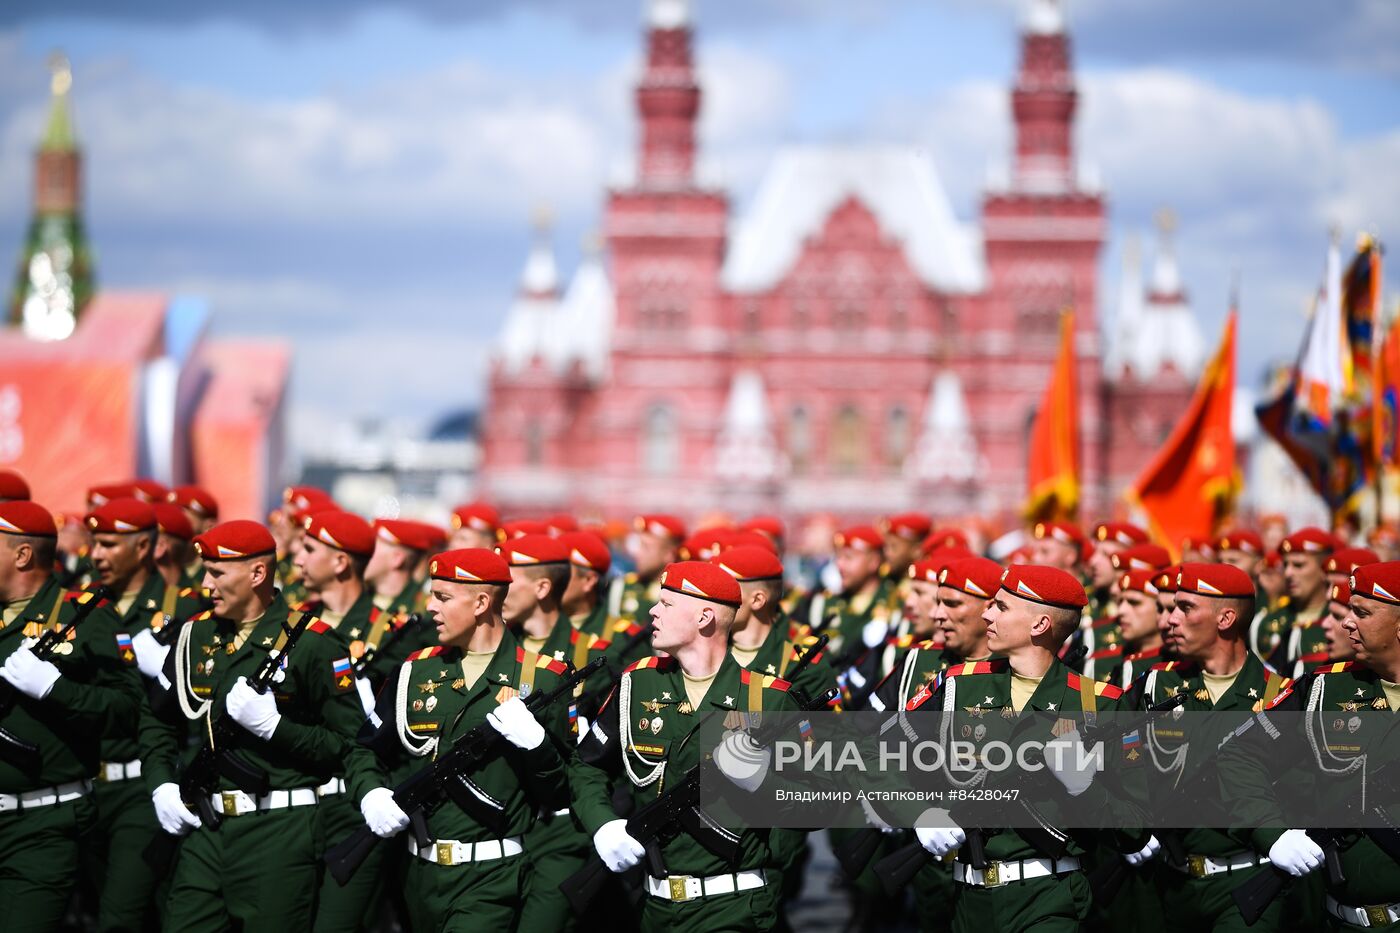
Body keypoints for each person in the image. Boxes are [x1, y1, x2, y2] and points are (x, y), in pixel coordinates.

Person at [140, 519, 366, 932]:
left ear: (257, 574)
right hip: (205, 829)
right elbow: (156, 718)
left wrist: (275, 728)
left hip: (278, 832)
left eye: (217, 572)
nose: (205, 583)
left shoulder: (312, 642)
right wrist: (161, 783)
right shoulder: (194, 634)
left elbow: (349, 745)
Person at [901, 564, 1145, 933]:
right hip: (966, 901)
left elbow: (1135, 828)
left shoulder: (1100, 706)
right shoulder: (956, 687)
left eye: (1000, 607)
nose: (986, 613)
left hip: (1049, 898)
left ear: (1039, 625)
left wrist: (1085, 789)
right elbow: (878, 753)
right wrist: (919, 813)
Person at [347, 548, 573, 933]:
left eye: (443, 597)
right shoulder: (416, 670)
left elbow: (561, 793)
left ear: (482, 602)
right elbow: (364, 749)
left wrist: (537, 746)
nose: (430, 607)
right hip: (416, 874)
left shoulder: (542, 678)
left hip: (489, 876)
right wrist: (371, 793)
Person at [572, 561, 801, 932]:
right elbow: (587, 765)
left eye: (666, 604)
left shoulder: (768, 700)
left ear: (704, 617)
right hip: (655, 907)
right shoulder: (638, 684)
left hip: (735, 907)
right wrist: (602, 825)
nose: (653, 612)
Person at [1216, 560, 1400, 932]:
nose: (1347, 622)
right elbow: (1238, 754)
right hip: (1337, 920)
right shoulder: (1323, 690)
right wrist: (1272, 832)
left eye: (1362, 613)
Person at [1131, 562, 1292, 933]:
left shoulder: (1278, 696)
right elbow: (1118, 755)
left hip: (1247, 881)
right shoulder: (1155, 686)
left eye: (1185, 608)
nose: (1169, 619)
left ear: (1226, 619)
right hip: (1168, 883)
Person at [0, 500, 139, 933]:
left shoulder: (84, 615)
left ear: (22, 555)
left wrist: (54, 689)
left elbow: (126, 710)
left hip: (41, 824)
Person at [81, 499, 205, 931]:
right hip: (83, 787)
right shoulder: (78, 608)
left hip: (142, 782)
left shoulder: (185, 608)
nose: (96, 554)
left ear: (144, 548)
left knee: (121, 915)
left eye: (109, 544)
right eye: (94, 543)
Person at [499, 534, 612, 933]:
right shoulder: (494, 649)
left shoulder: (595, 655)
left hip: (562, 824)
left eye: (508, 579)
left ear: (543, 587)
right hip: (501, 823)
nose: (499, 589)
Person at [1261, 529, 1339, 676]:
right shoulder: (1265, 622)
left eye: (1298, 565)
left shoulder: (1342, 621)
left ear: (1324, 570)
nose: (1288, 573)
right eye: (1285, 565)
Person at [609, 513, 686, 624]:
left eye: (646, 547)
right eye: (639, 545)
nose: (638, 553)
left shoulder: (680, 596)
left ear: (669, 554)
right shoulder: (622, 587)